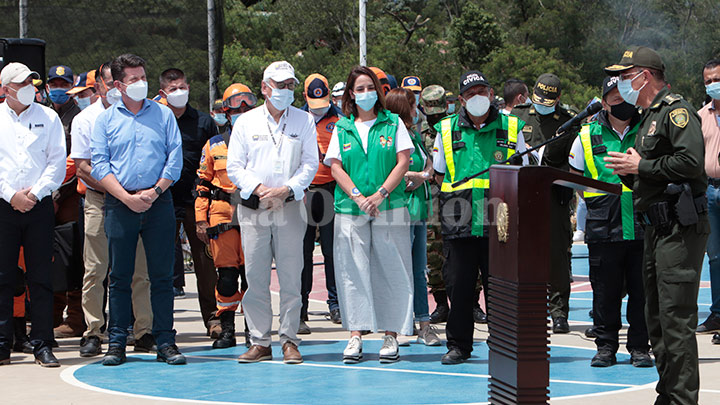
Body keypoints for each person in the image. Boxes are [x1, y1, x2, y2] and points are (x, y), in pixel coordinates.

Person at [604, 45, 709, 405]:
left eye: (624, 76)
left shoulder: (676, 112)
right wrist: (631, 172)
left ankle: (682, 401)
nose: (620, 83)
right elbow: (650, 175)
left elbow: (692, 163)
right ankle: (668, 394)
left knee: (676, 321)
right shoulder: (647, 118)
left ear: (643, 76)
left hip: (679, 230)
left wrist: (641, 168)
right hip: (655, 228)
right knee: (656, 320)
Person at [91, 53, 185, 366]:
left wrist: (155, 191)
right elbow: (100, 165)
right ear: (118, 85)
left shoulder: (163, 115)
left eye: (143, 77)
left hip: (159, 204)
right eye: (134, 79)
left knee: (161, 277)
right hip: (120, 203)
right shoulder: (104, 120)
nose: (142, 83)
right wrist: (126, 197)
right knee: (119, 276)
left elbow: (175, 158)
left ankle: (165, 341)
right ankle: (116, 342)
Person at [433, 70, 531, 364]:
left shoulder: (512, 127)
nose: (478, 98)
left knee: (500, 290)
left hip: (499, 223)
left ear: (491, 94)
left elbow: (524, 171)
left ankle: (503, 346)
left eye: (482, 91)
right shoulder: (446, 129)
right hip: (459, 221)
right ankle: (459, 346)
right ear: (461, 100)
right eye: (470, 94)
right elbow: (439, 175)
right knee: (459, 289)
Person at [227, 61, 318, 364]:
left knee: (292, 276)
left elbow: (310, 164)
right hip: (255, 208)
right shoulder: (245, 122)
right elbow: (234, 167)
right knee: (255, 276)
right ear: (264, 88)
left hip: (290, 207)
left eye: (290, 85)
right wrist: (261, 190)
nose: (285, 91)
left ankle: (289, 339)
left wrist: (286, 190)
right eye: (280, 85)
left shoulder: (304, 120)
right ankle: (259, 341)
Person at [325, 66, 414, 364]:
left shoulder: (393, 123)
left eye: (370, 88)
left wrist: (380, 194)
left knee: (394, 268)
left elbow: (403, 162)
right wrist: (359, 197)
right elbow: (335, 166)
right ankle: (355, 336)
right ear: (351, 94)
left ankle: (391, 335)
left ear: (379, 91)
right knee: (352, 272)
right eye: (359, 89)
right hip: (351, 209)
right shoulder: (342, 127)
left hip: (391, 206)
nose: (365, 94)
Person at [72, 62, 155, 357]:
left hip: (135, 201)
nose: (118, 89)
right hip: (100, 200)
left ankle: (144, 330)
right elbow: (82, 167)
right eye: (111, 84)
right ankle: (94, 330)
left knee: (139, 269)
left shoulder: (142, 114)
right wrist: (117, 190)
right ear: (100, 88)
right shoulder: (86, 120)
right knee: (95, 269)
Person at [568, 76, 651, 368]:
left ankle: (640, 347)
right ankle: (606, 347)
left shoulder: (647, 128)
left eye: (626, 97)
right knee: (604, 292)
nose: (623, 103)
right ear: (603, 103)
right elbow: (578, 179)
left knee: (642, 291)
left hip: (643, 222)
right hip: (603, 226)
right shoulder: (586, 135)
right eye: (615, 99)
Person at [0, 62, 66, 367]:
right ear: (5, 89)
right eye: (21, 83)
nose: (29, 87)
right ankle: (2, 344)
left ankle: (42, 342)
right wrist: (11, 195)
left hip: (38, 205)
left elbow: (56, 162)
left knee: (40, 276)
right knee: (3, 276)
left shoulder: (48, 116)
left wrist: (34, 194)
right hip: (4, 205)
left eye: (31, 82)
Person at [512, 73, 579, 334]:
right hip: (523, 193)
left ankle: (559, 312)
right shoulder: (518, 117)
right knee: (523, 254)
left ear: (558, 99)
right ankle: (529, 309)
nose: (542, 104)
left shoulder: (568, 120)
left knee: (557, 256)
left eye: (548, 101)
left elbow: (575, 157)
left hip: (554, 194)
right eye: (538, 99)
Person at [196, 82, 257, 349]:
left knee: (253, 276)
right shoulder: (214, 145)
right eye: (235, 104)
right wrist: (200, 218)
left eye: (246, 103)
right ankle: (228, 329)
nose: (241, 109)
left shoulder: (262, 141)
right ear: (226, 110)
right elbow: (202, 184)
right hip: (221, 215)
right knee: (228, 277)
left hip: (254, 212)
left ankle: (254, 330)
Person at [158, 68, 219, 337]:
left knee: (205, 264)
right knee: (159, 265)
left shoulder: (205, 122)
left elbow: (213, 163)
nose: (178, 92)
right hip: (162, 201)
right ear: (162, 93)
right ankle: (160, 323)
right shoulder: (156, 120)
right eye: (172, 89)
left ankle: (214, 319)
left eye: (182, 87)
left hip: (197, 202)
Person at [385, 87, 441, 347]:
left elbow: (428, 164)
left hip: (418, 212)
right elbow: (394, 171)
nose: (417, 110)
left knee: (419, 269)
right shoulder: (389, 137)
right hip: (399, 212)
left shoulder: (414, 136)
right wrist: (417, 176)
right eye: (412, 105)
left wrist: (424, 175)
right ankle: (395, 328)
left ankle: (424, 324)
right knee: (399, 269)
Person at [299, 73, 343, 333]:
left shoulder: (340, 119)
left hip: (330, 190)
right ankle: (301, 308)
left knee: (331, 250)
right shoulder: (297, 118)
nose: (320, 108)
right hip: (304, 191)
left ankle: (335, 304)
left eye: (323, 102)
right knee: (302, 253)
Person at [698, 58, 720, 337]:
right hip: (709, 190)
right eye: (708, 81)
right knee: (714, 256)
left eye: (717, 78)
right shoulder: (700, 115)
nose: (714, 85)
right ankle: (717, 314)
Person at [47, 65, 81, 155]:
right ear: (47, 88)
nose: (59, 88)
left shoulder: (78, 116)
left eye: (64, 85)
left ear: (72, 88)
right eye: (54, 85)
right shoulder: (42, 114)